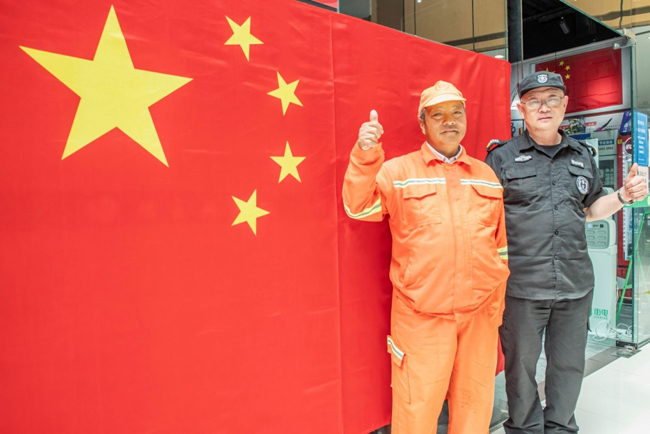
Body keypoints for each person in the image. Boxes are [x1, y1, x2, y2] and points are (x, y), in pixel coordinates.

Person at [485, 71, 648, 434]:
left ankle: (560, 427)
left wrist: (623, 196)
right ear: (521, 109)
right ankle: (525, 428)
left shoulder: (582, 155)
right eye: (534, 100)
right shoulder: (500, 159)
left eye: (552, 99)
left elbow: (591, 209)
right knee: (520, 367)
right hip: (521, 287)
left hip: (575, 283)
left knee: (568, 365)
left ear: (565, 105)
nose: (543, 107)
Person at [343, 81, 510, 434]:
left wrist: (494, 310)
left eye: (457, 112)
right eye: (438, 115)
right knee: (416, 412)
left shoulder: (486, 176)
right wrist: (366, 152)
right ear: (423, 123)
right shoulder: (399, 172)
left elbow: (500, 248)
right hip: (421, 319)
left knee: (475, 409)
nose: (450, 121)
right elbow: (358, 208)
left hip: (478, 318)